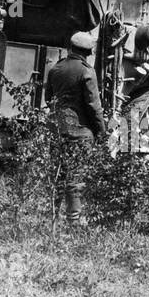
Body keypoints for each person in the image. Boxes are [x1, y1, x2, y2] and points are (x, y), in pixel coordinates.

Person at [45, 30, 105, 223]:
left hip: (58, 128)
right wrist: (101, 132)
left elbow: (49, 99)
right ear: (89, 52)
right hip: (80, 132)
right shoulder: (87, 71)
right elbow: (93, 106)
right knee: (76, 176)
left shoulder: (56, 69)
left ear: (70, 48)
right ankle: (74, 221)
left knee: (58, 173)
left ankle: (52, 217)